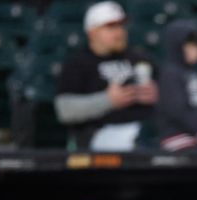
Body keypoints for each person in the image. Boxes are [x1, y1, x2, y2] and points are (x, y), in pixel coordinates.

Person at [55, 1, 158, 150]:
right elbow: (64, 110)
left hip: (146, 127)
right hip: (101, 133)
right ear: (92, 32)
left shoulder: (139, 58)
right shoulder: (78, 63)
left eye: (121, 25)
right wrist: (107, 100)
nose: (119, 32)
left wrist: (159, 95)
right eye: (110, 27)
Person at [156, 20, 197, 152]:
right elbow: (177, 111)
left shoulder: (192, 73)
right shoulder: (170, 73)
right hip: (178, 139)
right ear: (177, 46)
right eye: (191, 44)